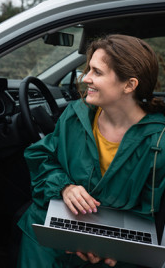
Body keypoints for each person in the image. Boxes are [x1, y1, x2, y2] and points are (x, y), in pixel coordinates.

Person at [17, 34, 165, 267]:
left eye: (97, 72)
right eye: (88, 70)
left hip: (118, 251)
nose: (86, 78)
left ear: (129, 85)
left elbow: (153, 218)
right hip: (58, 233)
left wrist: (109, 247)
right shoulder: (76, 114)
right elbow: (44, 156)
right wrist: (64, 187)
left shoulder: (160, 140)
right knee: (35, 222)